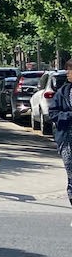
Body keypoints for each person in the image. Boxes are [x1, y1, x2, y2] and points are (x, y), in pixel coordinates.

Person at [47, 63, 72, 207]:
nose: (67, 73)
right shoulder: (63, 92)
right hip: (67, 139)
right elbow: (53, 113)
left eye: (70, 70)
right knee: (70, 170)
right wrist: (69, 115)